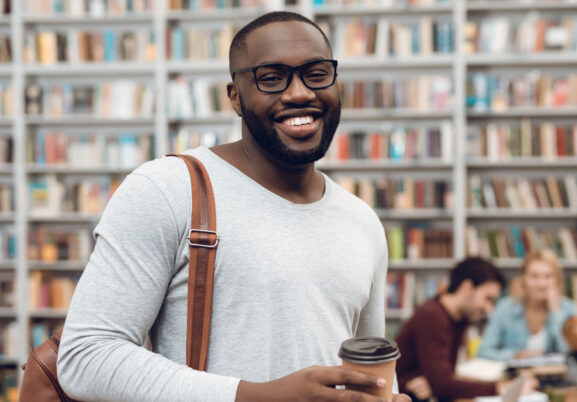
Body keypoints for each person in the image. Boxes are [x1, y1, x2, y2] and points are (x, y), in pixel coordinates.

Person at [57, 11, 410, 402]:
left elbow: (370, 368)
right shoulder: (167, 189)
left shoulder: (362, 221)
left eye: (316, 72)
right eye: (271, 78)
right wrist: (258, 396)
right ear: (235, 97)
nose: (299, 93)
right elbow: (85, 356)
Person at [395, 257, 509, 402]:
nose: (489, 309)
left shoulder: (459, 319)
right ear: (467, 287)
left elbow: (442, 379)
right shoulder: (432, 315)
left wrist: (436, 383)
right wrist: (498, 388)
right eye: (488, 298)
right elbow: (442, 384)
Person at [477, 249, 575, 361]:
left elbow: (569, 353)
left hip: (555, 377)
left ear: (557, 280)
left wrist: (555, 312)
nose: (541, 283)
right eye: (534, 276)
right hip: (514, 377)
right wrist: (515, 355)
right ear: (524, 279)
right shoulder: (506, 308)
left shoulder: (568, 308)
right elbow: (484, 352)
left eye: (548, 276)